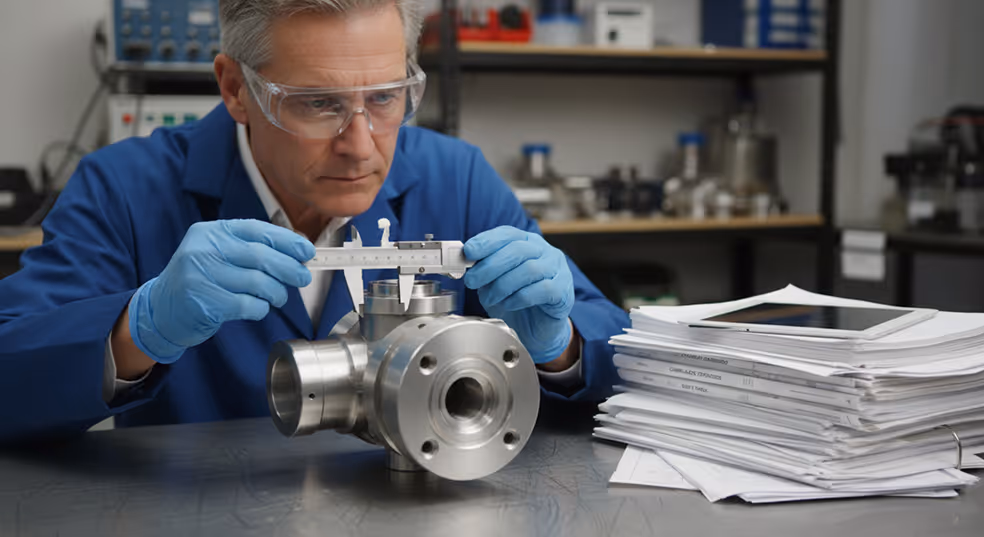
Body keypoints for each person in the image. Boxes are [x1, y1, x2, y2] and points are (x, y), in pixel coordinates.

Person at [0, 0, 628, 445]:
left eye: (385, 97)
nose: (361, 146)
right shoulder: (125, 187)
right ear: (235, 88)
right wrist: (134, 333)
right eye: (317, 104)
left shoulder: (455, 176)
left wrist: (561, 349)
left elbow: (624, 359)